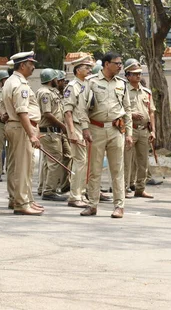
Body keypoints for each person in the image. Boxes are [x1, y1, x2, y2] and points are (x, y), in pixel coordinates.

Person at [80, 52, 133, 218]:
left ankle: (119, 206)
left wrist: (129, 133)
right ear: (106, 64)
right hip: (96, 129)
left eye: (121, 63)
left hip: (116, 130)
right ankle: (92, 204)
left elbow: (128, 110)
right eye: (117, 63)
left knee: (117, 170)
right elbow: (81, 108)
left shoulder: (122, 84)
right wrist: (85, 129)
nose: (120, 66)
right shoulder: (91, 82)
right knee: (94, 169)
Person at [2, 51, 44, 216]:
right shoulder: (19, 84)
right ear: (22, 65)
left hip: (15, 126)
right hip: (21, 127)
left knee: (15, 166)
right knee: (23, 167)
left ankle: (19, 199)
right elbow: (22, 111)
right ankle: (21, 203)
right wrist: (32, 134)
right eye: (30, 64)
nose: (33, 67)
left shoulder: (11, 81)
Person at [62, 55, 94, 208]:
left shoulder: (86, 84)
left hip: (85, 126)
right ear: (77, 69)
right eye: (86, 67)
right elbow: (67, 111)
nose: (89, 70)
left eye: (89, 67)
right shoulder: (72, 86)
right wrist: (72, 132)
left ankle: (80, 193)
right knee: (79, 162)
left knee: (84, 163)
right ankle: (75, 196)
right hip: (76, 126)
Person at [123, 59, 156, 199]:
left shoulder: (146, 92)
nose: (138, 76)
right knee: (126, 161)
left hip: (144, 130)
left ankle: (140, 188)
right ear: (128, 75)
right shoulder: (122, 91)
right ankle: (124, 188)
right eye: (135, 74)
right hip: (129, 130)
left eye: (139, 74)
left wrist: (153, 130)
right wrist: (130, 114)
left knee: (143, 161)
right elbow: (117, 110)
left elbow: (151, 112)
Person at [36, 69, 67, 201]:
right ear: (51, 79)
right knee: (55, 161)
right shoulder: (45, 93)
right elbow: (47, 114)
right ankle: (49, 191)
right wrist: (62, 126)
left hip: (52, 131)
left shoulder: (50, 92)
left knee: (48, 162)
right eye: (56, 78)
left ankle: (44, 187)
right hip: (50, 132)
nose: (58, 80)